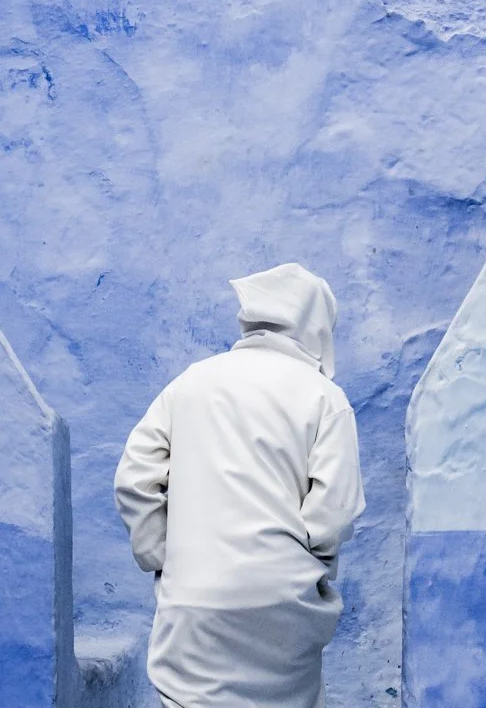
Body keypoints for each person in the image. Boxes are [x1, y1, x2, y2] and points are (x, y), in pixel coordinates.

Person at [115, 262, 365, 708]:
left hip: (194, 600)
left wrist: (163, 556)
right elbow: (335, 510)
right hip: (282, 600)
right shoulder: (325, 397)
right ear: (315, 322)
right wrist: (305, 563)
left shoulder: (189, 384)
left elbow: (135, 477)